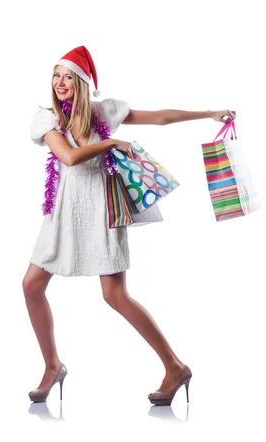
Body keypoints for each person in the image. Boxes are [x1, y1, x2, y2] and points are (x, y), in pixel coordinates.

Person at [24, 46, 235, 405]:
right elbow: (70, 157)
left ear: (83, 83)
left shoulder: (105, 111)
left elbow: (160, 117)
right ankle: (52, 365)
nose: (60, 83)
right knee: (31, 285)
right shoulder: (47, 120)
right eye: (56, 76)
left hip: (102, 210)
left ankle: (175, 366)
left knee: (114, 295)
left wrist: (209, 113)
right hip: (62, 213)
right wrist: (111, 142)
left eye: (68, 77)